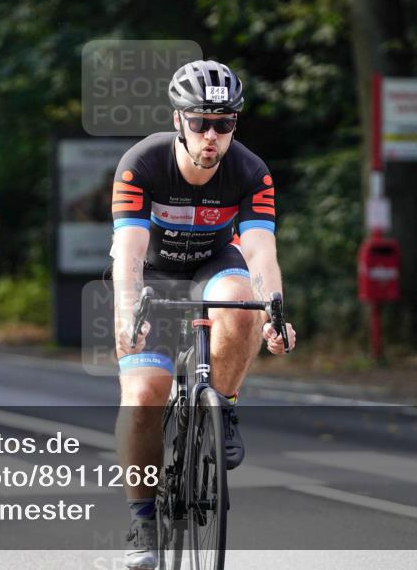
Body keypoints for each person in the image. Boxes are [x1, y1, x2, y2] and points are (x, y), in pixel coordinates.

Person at [110, 60, 297, 568]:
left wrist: (275, 313)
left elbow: (260, 252)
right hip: (154, 273)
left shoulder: (251, 170)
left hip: (215, 264)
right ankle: (143, 519)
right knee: (145, 395)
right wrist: (130, 313)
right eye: (200, 122)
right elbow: (127, 253)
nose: (212, 135)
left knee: (242, 304)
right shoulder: (141, 164)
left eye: (224, 123)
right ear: (178, 120)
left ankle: (225, 406)